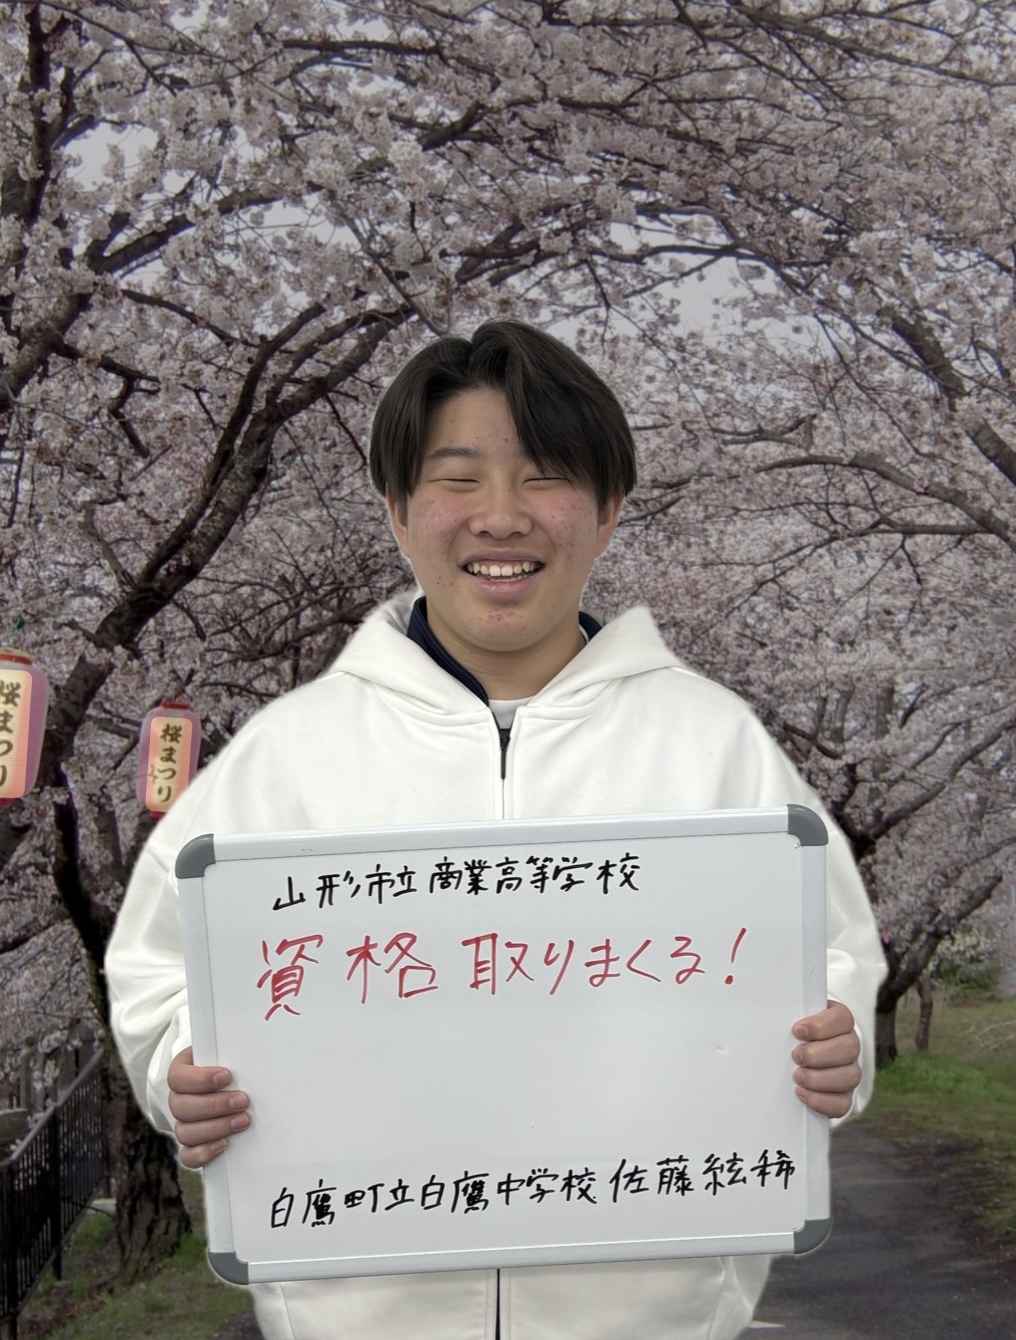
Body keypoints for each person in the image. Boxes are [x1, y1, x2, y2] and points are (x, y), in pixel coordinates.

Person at [107, 318, 886, 1340]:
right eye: (459, 478)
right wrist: (183, 1067)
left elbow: (830, 952)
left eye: (546, 477)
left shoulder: (711, 743)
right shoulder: (288, 753)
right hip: (364, 1308)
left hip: (648, 1309)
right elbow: (160, 964)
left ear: (607, 511)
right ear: (398, 511)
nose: (502, 517)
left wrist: (837, 1044)